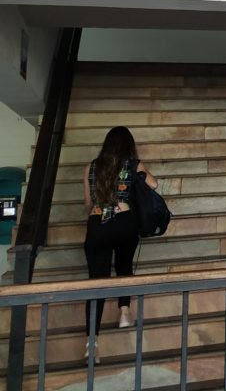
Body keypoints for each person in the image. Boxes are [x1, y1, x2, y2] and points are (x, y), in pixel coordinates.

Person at [82, 126, 158, 359]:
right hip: (124, 221)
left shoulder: (91, 167)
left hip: (98, 223)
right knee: (124, 266)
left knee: (96, 281)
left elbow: (87, 203)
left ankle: (92, 344)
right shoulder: (133, 164)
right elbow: (153, 185)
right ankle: (124, 312)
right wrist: (138, 177)